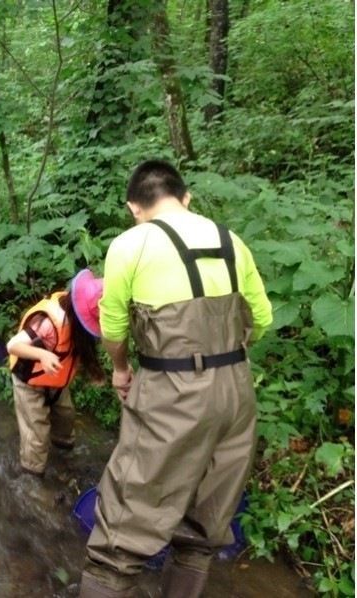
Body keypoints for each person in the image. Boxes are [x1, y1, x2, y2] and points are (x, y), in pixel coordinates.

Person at [79, 160, 272, 598]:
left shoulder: (130, 245)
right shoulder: (231, 241)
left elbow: (113, 328)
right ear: (186, 198)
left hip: (171, 390)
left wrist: (122, 368)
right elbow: (261, 319)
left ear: (134, 207)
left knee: (123, 530)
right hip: (236, 394)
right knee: (203, 524)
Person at [6, 269, 105, 477]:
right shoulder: (49, 323)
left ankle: (64, 455)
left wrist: (95, 372)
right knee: (37, 433)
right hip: (29, 382)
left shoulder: (78, 328)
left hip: (56, 382)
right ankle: (32, 475)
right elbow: (13, 345)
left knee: (66, 416)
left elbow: (80, 350)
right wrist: (41, 354)